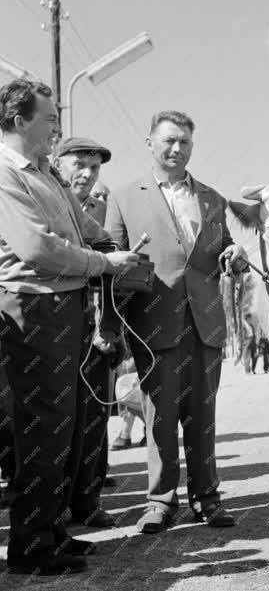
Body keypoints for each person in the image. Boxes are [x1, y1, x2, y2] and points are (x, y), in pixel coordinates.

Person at [0, 79, 139, 575]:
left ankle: (53, 532)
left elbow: (83, 232)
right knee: (40, 430)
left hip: (66, 308)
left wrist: (113, 250)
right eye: (49, 119)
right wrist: (102, 265)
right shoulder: (6, 173)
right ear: (19, 121)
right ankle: (30, 550)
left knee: (65, 432)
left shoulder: (46, 174)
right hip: (33, 310)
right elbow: (36, 248)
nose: (58, 127)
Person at [105, 110, 247, 534]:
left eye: (184, 141)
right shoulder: (125, 196)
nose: (176, 148)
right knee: (159, 417)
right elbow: (111, 262)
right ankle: (160, 502)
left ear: (192, 146)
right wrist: (111, 327)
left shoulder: (211, 198)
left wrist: (236, 255)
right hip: (154, 324)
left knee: (203, 416)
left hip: (204, 323)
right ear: (150, 143)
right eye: (168, 140)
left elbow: (223, 249)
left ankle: (207, 498)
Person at [54, 137, 121, 527]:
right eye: (78, 164)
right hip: (51, 324)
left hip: (97, 331)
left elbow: (115, 257)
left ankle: (87, 502)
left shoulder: (102, 207)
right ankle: (51, 507)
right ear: (58, 164)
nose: (87, 174)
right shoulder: (41, 200)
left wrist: (111, 326)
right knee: (51, 419)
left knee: (95, 417)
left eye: (94, 168)